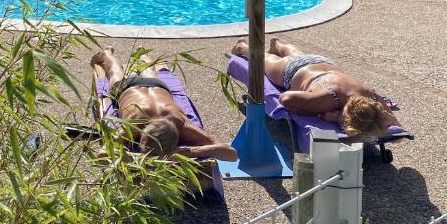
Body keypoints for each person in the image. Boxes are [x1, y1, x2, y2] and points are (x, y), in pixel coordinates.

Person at [231, 37, 399, 140]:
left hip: (322, 63)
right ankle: (242, 47)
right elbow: (285, 99)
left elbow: (392, 121)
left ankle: (278, 44)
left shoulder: (369, 95)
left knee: (296, 53)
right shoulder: (325, 100)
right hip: (292, 70)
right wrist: (320, 114)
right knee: (264, 59)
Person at [91, 47, 237, 161]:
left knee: (131, 70)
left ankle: (137, 54)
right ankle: (107, 54)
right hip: (130, 88)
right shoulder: (134, 125)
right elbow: (102, 154)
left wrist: (192, 152)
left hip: (155, 87)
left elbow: (232, 154)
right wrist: (131, 156)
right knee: (114, 71)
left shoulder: (181, 124)